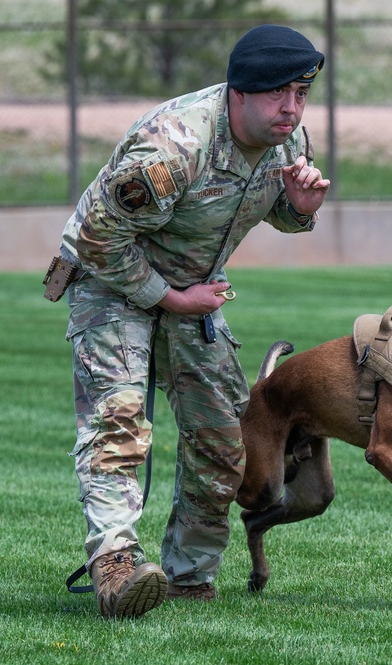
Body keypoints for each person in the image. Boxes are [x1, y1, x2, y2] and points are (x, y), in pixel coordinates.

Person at [49, 24, 330, 619]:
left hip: (192, 289)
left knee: (222, 435)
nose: (292, 107)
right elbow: (96, 237)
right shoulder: (174, 148)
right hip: (112, 283)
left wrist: (299, 210)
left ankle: (188, 577)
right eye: (278, 94)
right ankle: (116, 567)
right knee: (119, 421)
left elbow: (269, 204)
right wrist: (169, 299)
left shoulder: (288, 140)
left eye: (301, 93)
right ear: (240, 93)